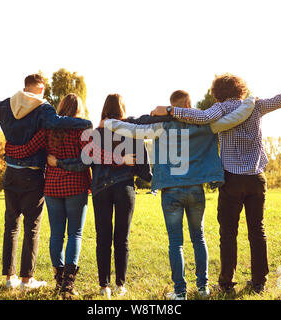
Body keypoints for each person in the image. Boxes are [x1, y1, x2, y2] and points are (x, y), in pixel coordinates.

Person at [151, 62, 281, 294]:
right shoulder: (255, 105)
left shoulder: (221, 108)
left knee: (228, 233)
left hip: (231, 179)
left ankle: (226, 283)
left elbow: (200, 117)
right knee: (257, 230)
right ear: (240, 88)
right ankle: (259, 282)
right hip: (255, 178)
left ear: (218, 92)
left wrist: (171, 111)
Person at [104, 90, 255, 300]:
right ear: (188, 104)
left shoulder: (159, 128)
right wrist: (250, 100)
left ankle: (180, 292)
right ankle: (203, 288)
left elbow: (132, 130)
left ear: (172, 106)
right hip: (195, 189)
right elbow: (235, 117)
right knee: (198, 238)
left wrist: (110, 123)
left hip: (171, 191)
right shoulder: (204, 126)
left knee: (176, 243)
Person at [0, 74, 92, 291]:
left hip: (10, 174)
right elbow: (57, 122)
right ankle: (27, 280)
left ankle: (10, 278)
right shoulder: (43, 109)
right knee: (32, 228)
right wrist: (85, 122)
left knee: (11, 226)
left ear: (25, 87)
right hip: (32, 175)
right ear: (41, 88)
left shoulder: (7, 105)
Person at [19, 93, 152, 299]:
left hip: (70, 188)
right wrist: (127, 162)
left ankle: (86, 283)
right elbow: (90, 160)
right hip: (87, 187)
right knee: (99, 237)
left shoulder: (68, 131)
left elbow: (31, 147)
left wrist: (13, 155)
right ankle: (109, 284)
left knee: (72, 236)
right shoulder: (92, 130)